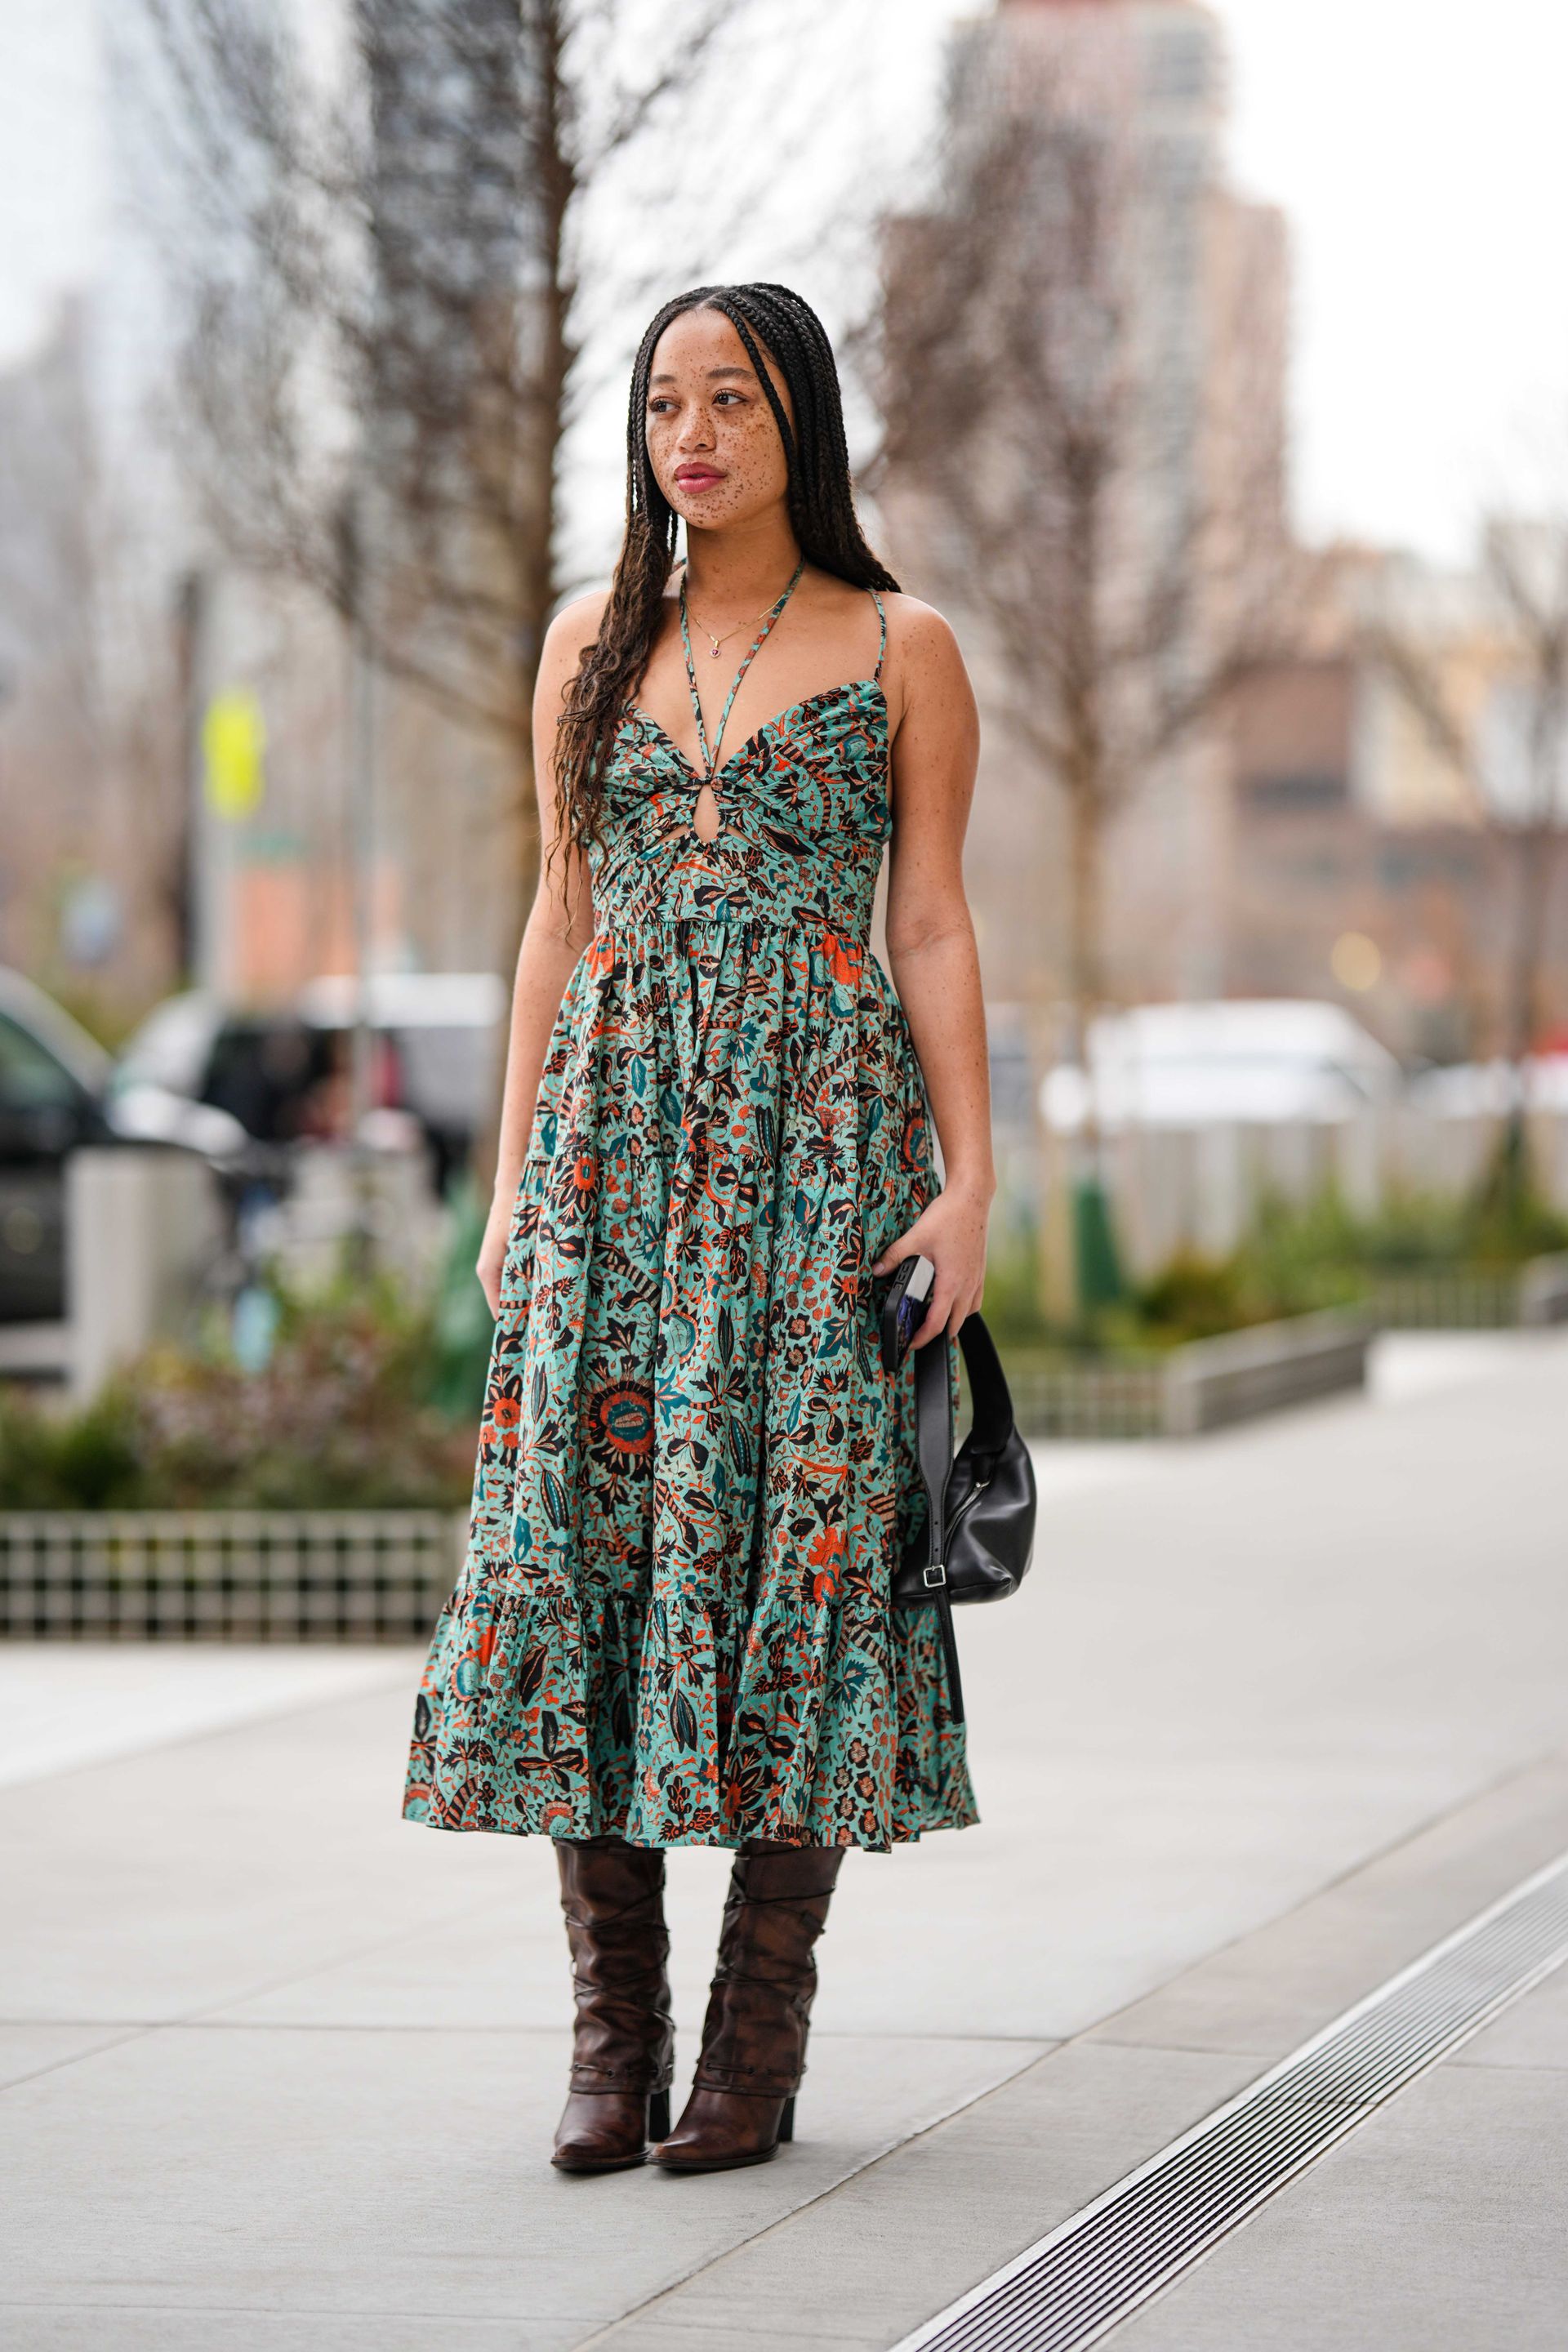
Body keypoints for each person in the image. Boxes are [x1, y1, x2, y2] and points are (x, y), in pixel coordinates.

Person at [403, 281, 995, 2176]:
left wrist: (971, 1182)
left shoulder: (903, 644)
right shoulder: (588, 643)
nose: (694, 435)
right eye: (664, 403)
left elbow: (931, 922)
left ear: (799, 418)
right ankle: (614, 2038)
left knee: (804, 1561)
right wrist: (510, 1183)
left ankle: (755, 2039)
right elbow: (557, 918)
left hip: (823, 1162)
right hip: (608, 1167)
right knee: (586, 1553)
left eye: (730, 399)